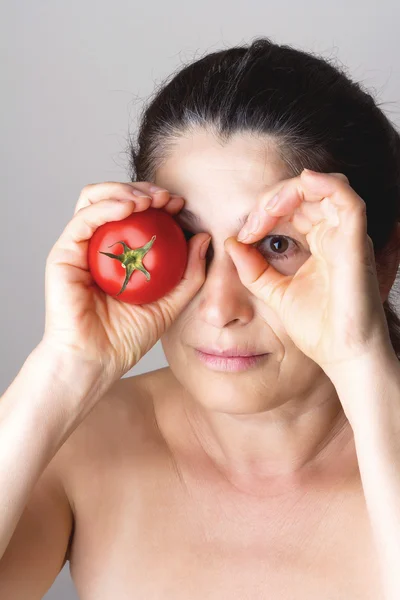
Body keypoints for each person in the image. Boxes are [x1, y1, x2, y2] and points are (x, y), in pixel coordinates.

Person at [1, 36, 400, 598]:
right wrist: (64, 365)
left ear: (380, 261)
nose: (219, 308)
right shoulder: (79, 445)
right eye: (187, 240)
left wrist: (362, 362)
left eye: (277, 245)